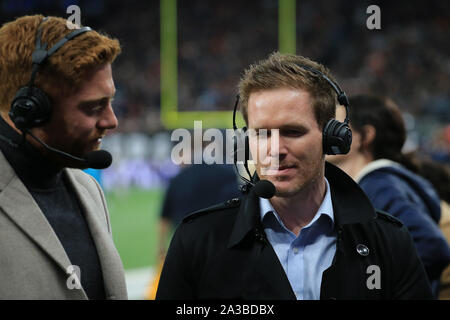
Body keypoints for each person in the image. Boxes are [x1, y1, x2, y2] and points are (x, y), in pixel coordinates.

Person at [156, 52, 433, 299]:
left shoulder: (388, 240)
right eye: (262, 133)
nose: (275, 150)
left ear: (330, 138)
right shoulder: (197, 240)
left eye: (293, 132)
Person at [0, 15, 127, 299]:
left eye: (111, 101)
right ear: (31, 109)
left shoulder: (88, 189)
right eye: (94, 107)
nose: (112, 121)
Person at [326, 94, 450, 297]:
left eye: (335, 125)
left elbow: (433, 247)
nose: (326, 133)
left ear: (364, 136)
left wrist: (373, 284)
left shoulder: (379, 185)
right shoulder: (383, 181)